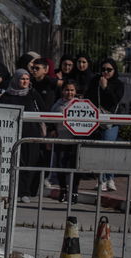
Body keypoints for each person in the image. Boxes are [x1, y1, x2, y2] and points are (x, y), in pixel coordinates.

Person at [0, 68, 45, 200]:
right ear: (16, 80)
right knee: (13, 161)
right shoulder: (7, 96)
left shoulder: (32, 94)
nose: (25, 82)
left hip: (30, 133)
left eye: (27, 79)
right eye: (22, 79)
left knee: (30, 161)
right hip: (12, 134)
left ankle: (25, 192)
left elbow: (43, 109)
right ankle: (12, 190)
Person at [84, 58, 125, 192]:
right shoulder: (95, 82)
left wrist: (106, 87)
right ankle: (101, 179)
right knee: (99, 150)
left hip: (111, 121)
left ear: (114, 70)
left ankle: (109, 178)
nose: (106, 72)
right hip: (96, 120)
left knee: (109, 149)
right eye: (103, 70)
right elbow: (88, 97)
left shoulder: (118, 84)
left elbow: (115, 100)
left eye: (109, 70)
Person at [47, 81, 83, 201]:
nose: (69, 92)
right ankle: (63, 190)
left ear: (76, 91)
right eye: (67, 90)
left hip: (75, 142)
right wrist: (52, 129)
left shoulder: (81, 105)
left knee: (74, 167)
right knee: (61, 167)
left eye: (72, 90)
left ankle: (74, 192)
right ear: (62, 91)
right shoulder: (57, 105)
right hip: (60, 140)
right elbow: (50, 119)